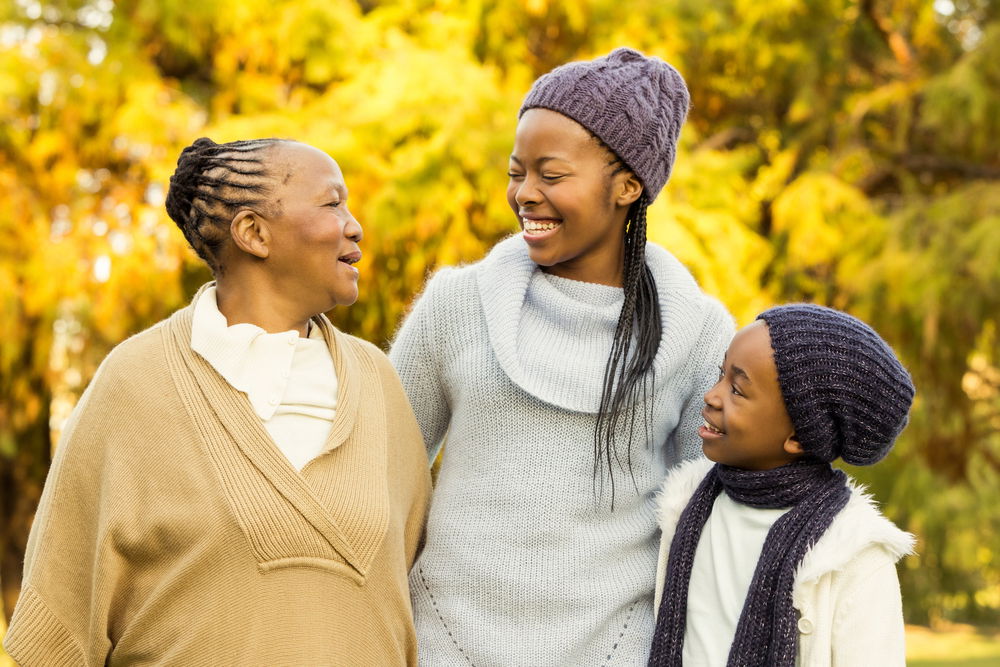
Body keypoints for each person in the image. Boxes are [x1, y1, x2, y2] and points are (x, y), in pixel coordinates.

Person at [3, 138, 431, 666]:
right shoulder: (134, 385)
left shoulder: (380, 385)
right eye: (331, 203)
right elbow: (57, 631)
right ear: (253, 233)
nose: (354, 225)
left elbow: (423, 588)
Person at [389, 48, 734, 665]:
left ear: (628, 187)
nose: (525, 194)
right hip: (443, 641)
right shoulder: (457, 305)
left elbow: (711, 517)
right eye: (517, 172)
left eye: (550, 175)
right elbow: (381, 471)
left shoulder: (699, 334)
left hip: (618, 648)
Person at [648, 304, 916, 667]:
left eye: (738, 390)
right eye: (720, 375)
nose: (712, 396)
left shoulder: (851, 554)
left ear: (798, 438)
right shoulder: (688, 505)